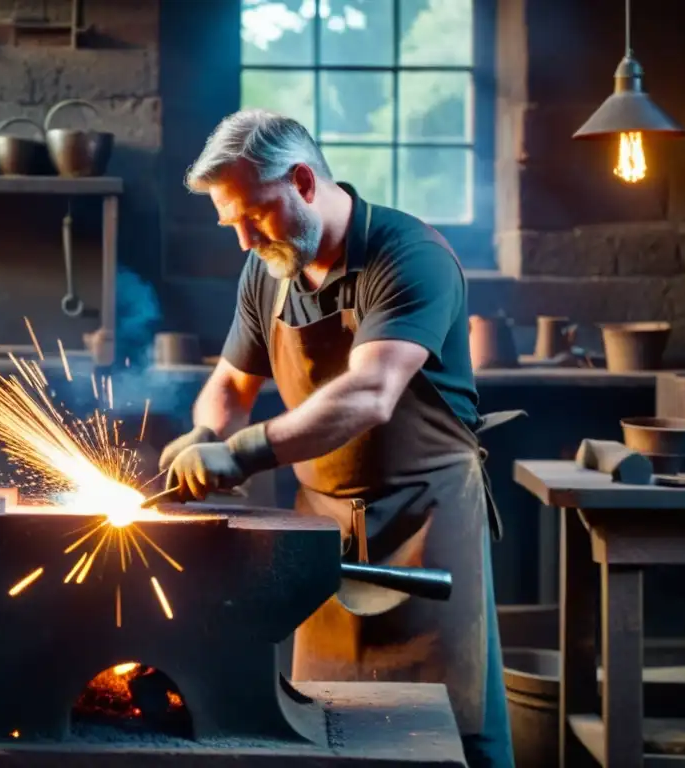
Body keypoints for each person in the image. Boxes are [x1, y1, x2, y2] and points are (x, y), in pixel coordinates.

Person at [159, 108, 519, 768]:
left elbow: (371, 392)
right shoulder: (266, 270)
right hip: (321, 534)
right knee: (326, 730)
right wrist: (205, 433)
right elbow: (231, 383)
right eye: (230, 222)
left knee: (449, 731)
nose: (242, 239)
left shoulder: (409, 256)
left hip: (423, 525)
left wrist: (238, 453)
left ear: (301, 180)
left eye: (254, 215)